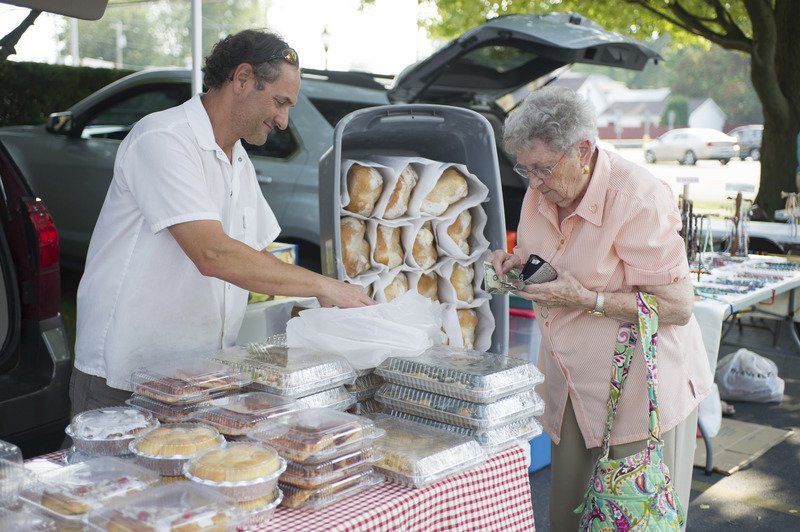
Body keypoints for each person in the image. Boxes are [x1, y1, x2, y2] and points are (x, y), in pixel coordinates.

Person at [71, 30, 372, 414]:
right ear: (243, 79)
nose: (283, 120)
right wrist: (324, 287)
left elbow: (258, 254)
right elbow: (213, 253)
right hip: (123, 378)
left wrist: (320, 309)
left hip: (199, 378)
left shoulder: (239, 160)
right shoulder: (164, 137)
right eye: (280, 102)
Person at [488, 86, 712, 530]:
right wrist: (517, 266)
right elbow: (551, 265)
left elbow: (677, 306)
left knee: (632, 517)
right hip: (572, 385)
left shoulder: (638, 198)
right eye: (524, 168)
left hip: (637, 396)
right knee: (569, 519)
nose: (532, 183)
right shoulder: (541, 193)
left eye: (543, 168)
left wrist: (588, 300)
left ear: (583, 150)